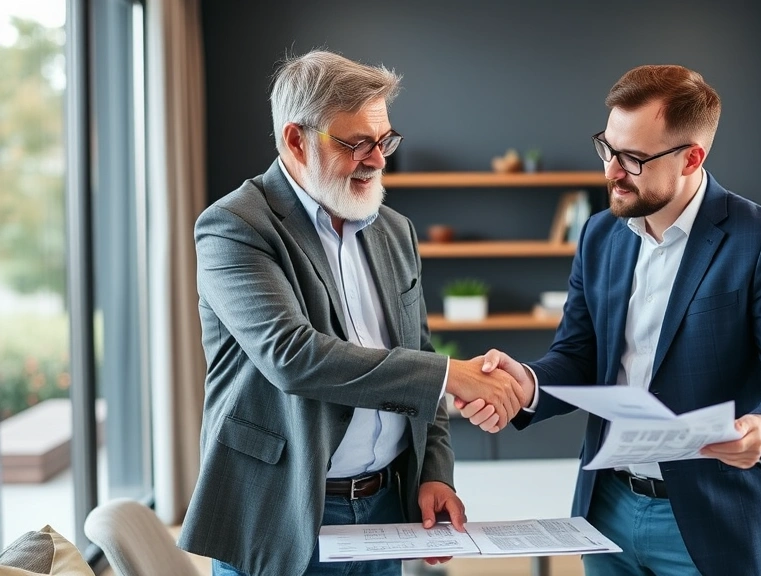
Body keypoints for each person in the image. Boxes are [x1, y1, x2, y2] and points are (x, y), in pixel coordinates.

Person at [457, 64, 761, 576]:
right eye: (607, 149)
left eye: (632, 159)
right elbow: (578, 354)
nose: (612, 171)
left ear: (691, 158)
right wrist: (528, 384)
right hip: (608, 508)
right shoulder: (599, 235)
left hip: (714, 518)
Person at [178, 50, 526, 576]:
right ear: (297, 140)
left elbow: (418, 356)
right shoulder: (235, 227)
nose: (378, 160)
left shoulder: (394, 230)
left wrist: (434, 472)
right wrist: (453, 375)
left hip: (384, 509)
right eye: (358, 143)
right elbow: (293, 357)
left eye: (385, 141)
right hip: (280, 512)